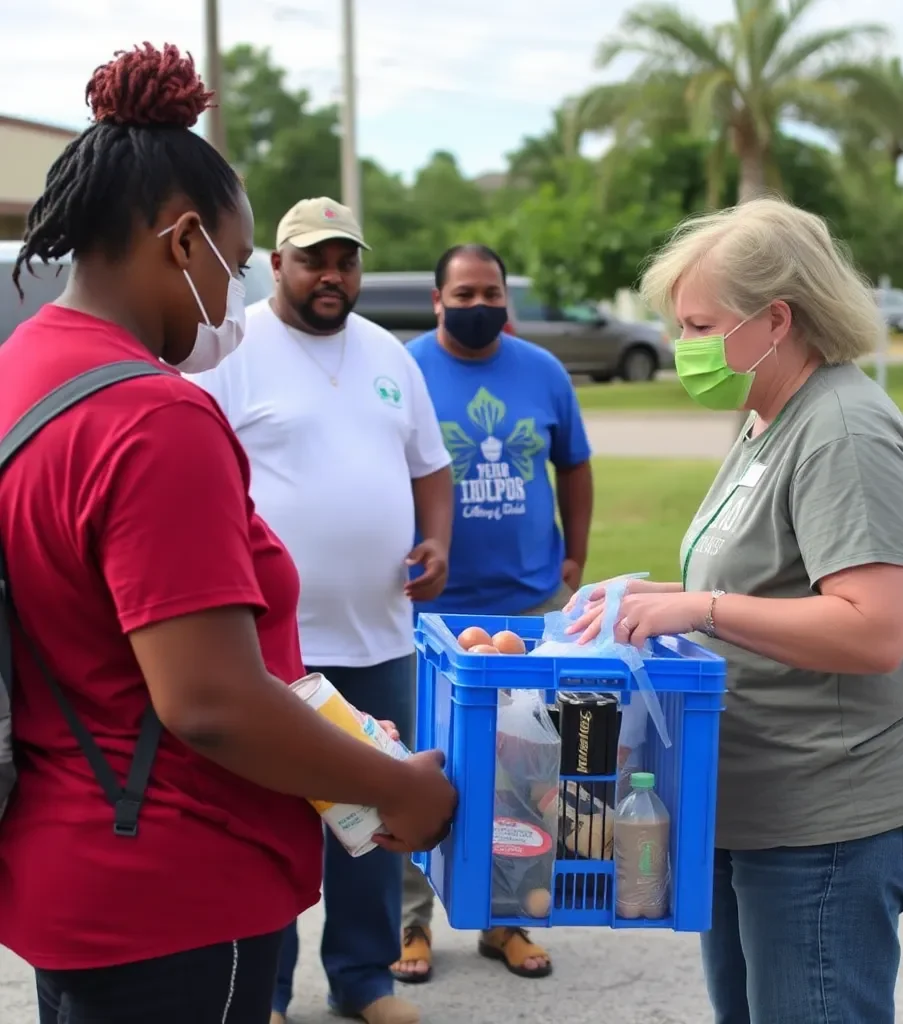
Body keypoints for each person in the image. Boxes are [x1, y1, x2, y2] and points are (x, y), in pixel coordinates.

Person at [0, 43, 455, 1024]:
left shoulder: (23, 369)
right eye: (238, 264)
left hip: (75, 866)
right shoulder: (156, 416)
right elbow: (209, 699)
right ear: (182, 241)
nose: (236, 297)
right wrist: (396, 789)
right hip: (175, 892)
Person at [567, 198, 903, 1024]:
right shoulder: (766, 417)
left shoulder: (843, 433)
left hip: (831, 819)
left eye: (699, 324)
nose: (683, 347)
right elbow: (760, 577)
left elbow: (872, 628)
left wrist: (704, 608)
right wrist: (655, 598)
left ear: (776, 319)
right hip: (761, 806)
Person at [188, 197, 453, 1024]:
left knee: (373, 815)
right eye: (313, 259)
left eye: (345, 260)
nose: (332, 275)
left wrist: (437, 542)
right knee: (270, 820)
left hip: (378, 633)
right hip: (272, 644)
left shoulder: (388, 354)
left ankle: (364, 980)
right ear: (277, 266)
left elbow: (430, 467)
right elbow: (200, 475)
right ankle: (265, 990)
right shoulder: (234, 351)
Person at [395, 244, 594, 984]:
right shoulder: (405, 369)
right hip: (433, 613)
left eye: (493, 292)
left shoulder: (541, 371)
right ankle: (410, 922)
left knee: (525, 769)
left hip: (529, 608)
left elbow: (573, 464)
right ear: (437, 299)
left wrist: (574, 558)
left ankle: (509, 914)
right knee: (417, 768)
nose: (481, 305)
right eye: (465, 292)